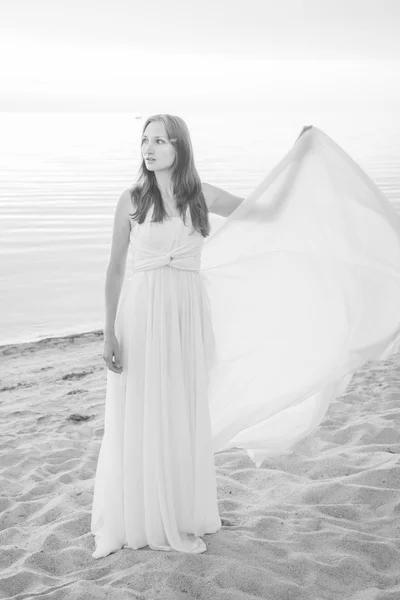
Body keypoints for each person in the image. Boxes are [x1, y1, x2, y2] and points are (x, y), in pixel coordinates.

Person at [91, 114, 400, 558]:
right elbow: (115, 268)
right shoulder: (132, 200)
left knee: (179, 410)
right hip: (140, 317)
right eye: (144, 140)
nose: (149, 147)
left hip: (187, 315)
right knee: (143, 410)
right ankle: (142, 515)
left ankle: (179, 511)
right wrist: (109, 334)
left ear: (180, 146)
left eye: (159, 140)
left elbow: (267, 212)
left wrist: (297, 162)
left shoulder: (200, 197)